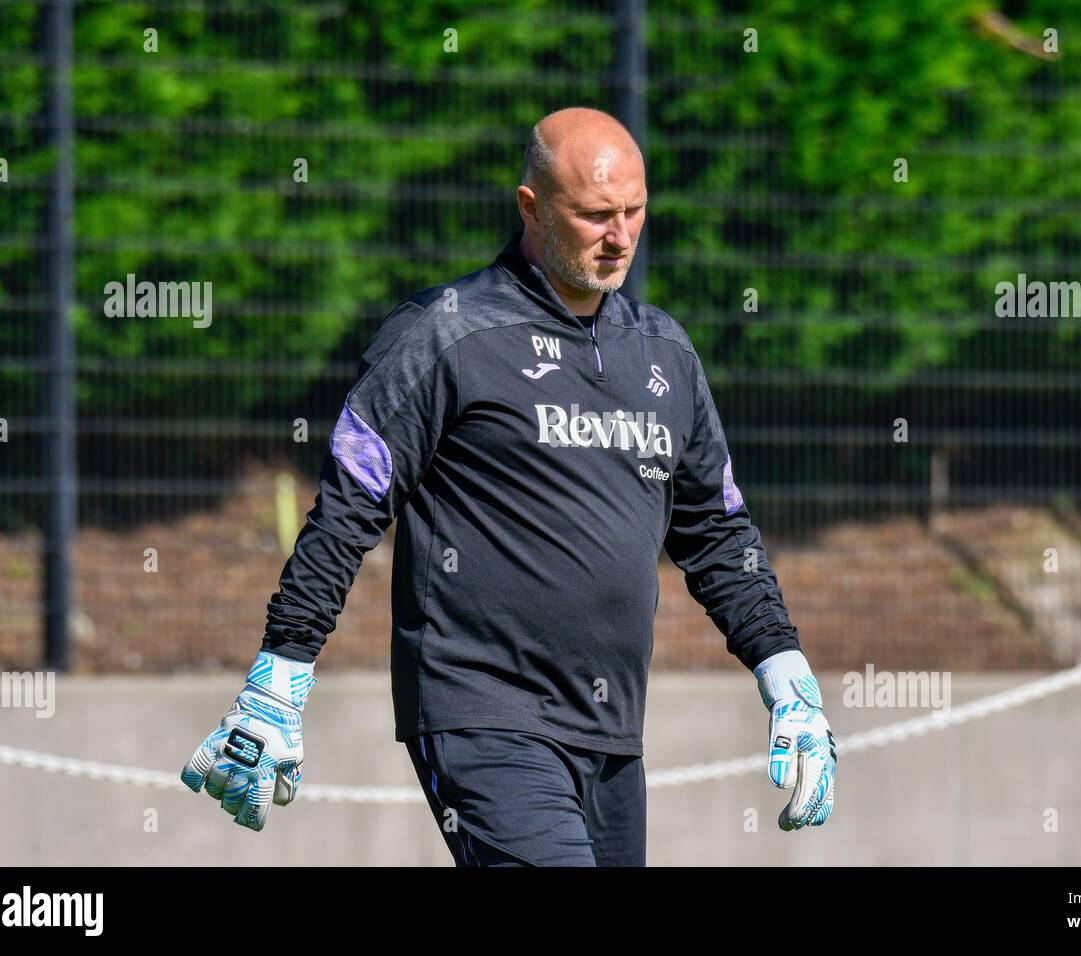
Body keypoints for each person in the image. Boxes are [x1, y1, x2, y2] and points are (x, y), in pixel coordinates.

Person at [181, 107, 836, 866]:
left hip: (613, 730)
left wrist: (787, 675)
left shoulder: (666, 353)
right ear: (531, 206)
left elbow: (718, 534)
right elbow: (349, 509)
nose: (619, 236)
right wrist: (280, 672)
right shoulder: (444, 334)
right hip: (481, 715)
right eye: (594, 215)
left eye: (634, 211)